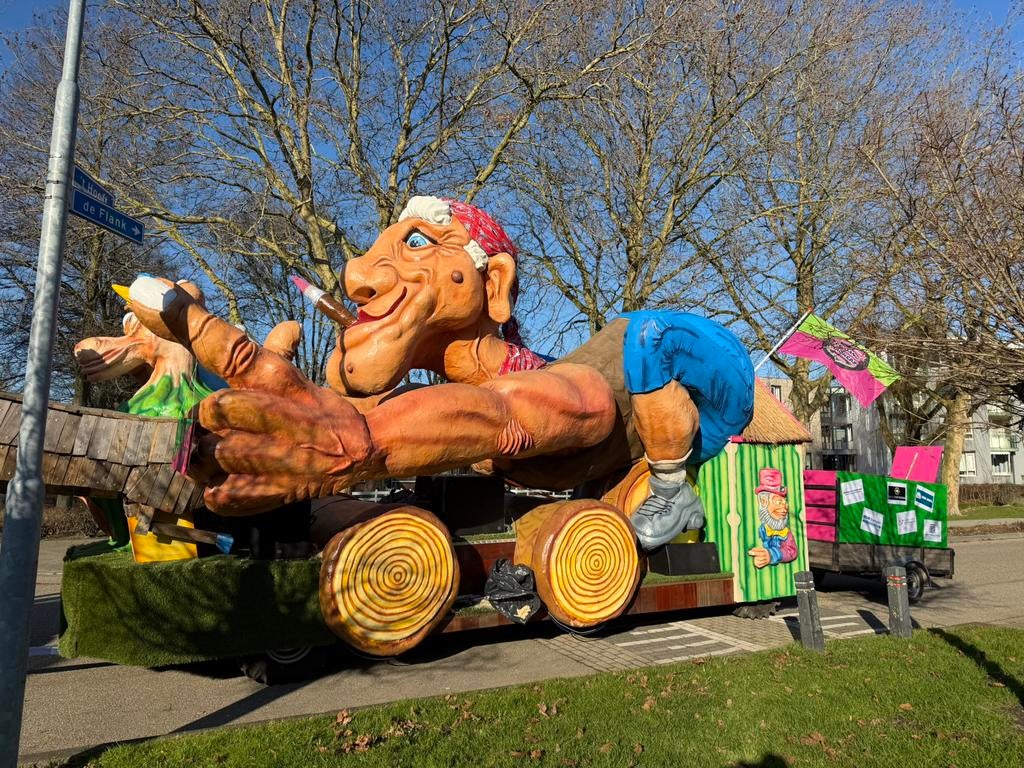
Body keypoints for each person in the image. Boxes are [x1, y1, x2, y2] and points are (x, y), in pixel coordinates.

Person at [125, 196, 754, 550]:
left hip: (710, 375)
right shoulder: (460, 403)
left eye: (420, 242)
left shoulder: (567, 390)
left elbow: (510, 412)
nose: (358, 275)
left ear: (495, 283)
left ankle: (674, 489)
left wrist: (365, 446)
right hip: (617, 449)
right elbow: (437, 421)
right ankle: (647, 485)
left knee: (648, 334)